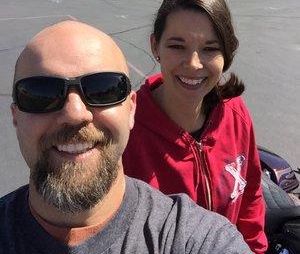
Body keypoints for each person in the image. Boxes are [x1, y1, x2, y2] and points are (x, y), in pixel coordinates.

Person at [0, 20, 252, 254]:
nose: (75, 113)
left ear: (131, 109)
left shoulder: (194, 238)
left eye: (102, 89)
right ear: (15, 115)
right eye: (41, 94)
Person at [123, 0, 268, 254]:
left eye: (209, 49)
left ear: (227, 53)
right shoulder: (125, 130)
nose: (193, 64)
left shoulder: (235, 113)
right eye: (177, 46)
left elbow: (250, 197)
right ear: (155, 46)